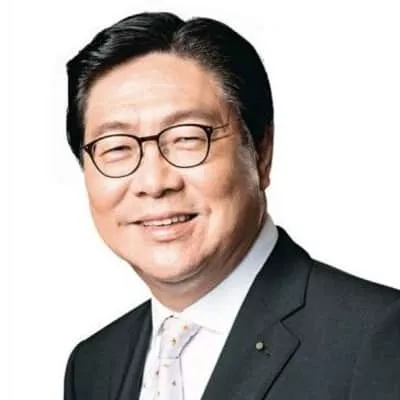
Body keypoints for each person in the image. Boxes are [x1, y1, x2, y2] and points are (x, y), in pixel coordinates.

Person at [64, 11, 400, 400]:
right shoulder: (93, 365)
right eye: (117, 148)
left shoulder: (379, 339)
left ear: (261, 152)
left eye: (187, 138)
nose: (154, 183)